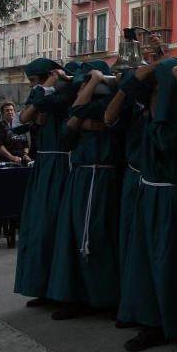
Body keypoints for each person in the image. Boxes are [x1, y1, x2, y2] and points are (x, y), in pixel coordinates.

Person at [111, 57, 177, 351]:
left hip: (176, 195)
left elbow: (167, 142)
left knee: (174, 262)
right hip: (149, 191)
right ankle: (150, 319)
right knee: (144, 260)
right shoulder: (154, 99)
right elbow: (120, 99)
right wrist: (148, 70)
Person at [46, 60, 124, 320]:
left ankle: (103, 297)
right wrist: (79, 120)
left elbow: (80, 114)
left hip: (101, 178)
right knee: (73, 238)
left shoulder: (108, 105)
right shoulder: (85, 106)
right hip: (80, 177)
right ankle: (76, 295)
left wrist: (93, 85)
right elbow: (66, 133)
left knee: (98, 236)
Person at [14, 59, 75, 307]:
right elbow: (19, 124)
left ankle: (63, 291)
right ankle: (43, 286)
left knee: (58, 228)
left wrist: (50, 83)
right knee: (40, 228)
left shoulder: (66, 95)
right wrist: (45, 87)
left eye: (34, 81)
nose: (33, 86)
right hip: (45, 166)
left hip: (62, 167)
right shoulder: (44, 94)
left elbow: (30, 111)